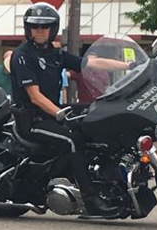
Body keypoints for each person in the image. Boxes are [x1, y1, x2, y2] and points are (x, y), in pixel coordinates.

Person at [9, 3, 133, 218]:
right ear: (28, 29)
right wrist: (59, 113)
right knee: (72, 140)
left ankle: (109, 187)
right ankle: (91, 200)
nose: (40, 31)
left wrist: (128, 67)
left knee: (92, 126)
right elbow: (35, 96)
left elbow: (90, 63)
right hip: (32, 120)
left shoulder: (55, 54)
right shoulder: (22, 55)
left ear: (53, 28)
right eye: (35, 27)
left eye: (45, 27)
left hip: (51, 115)